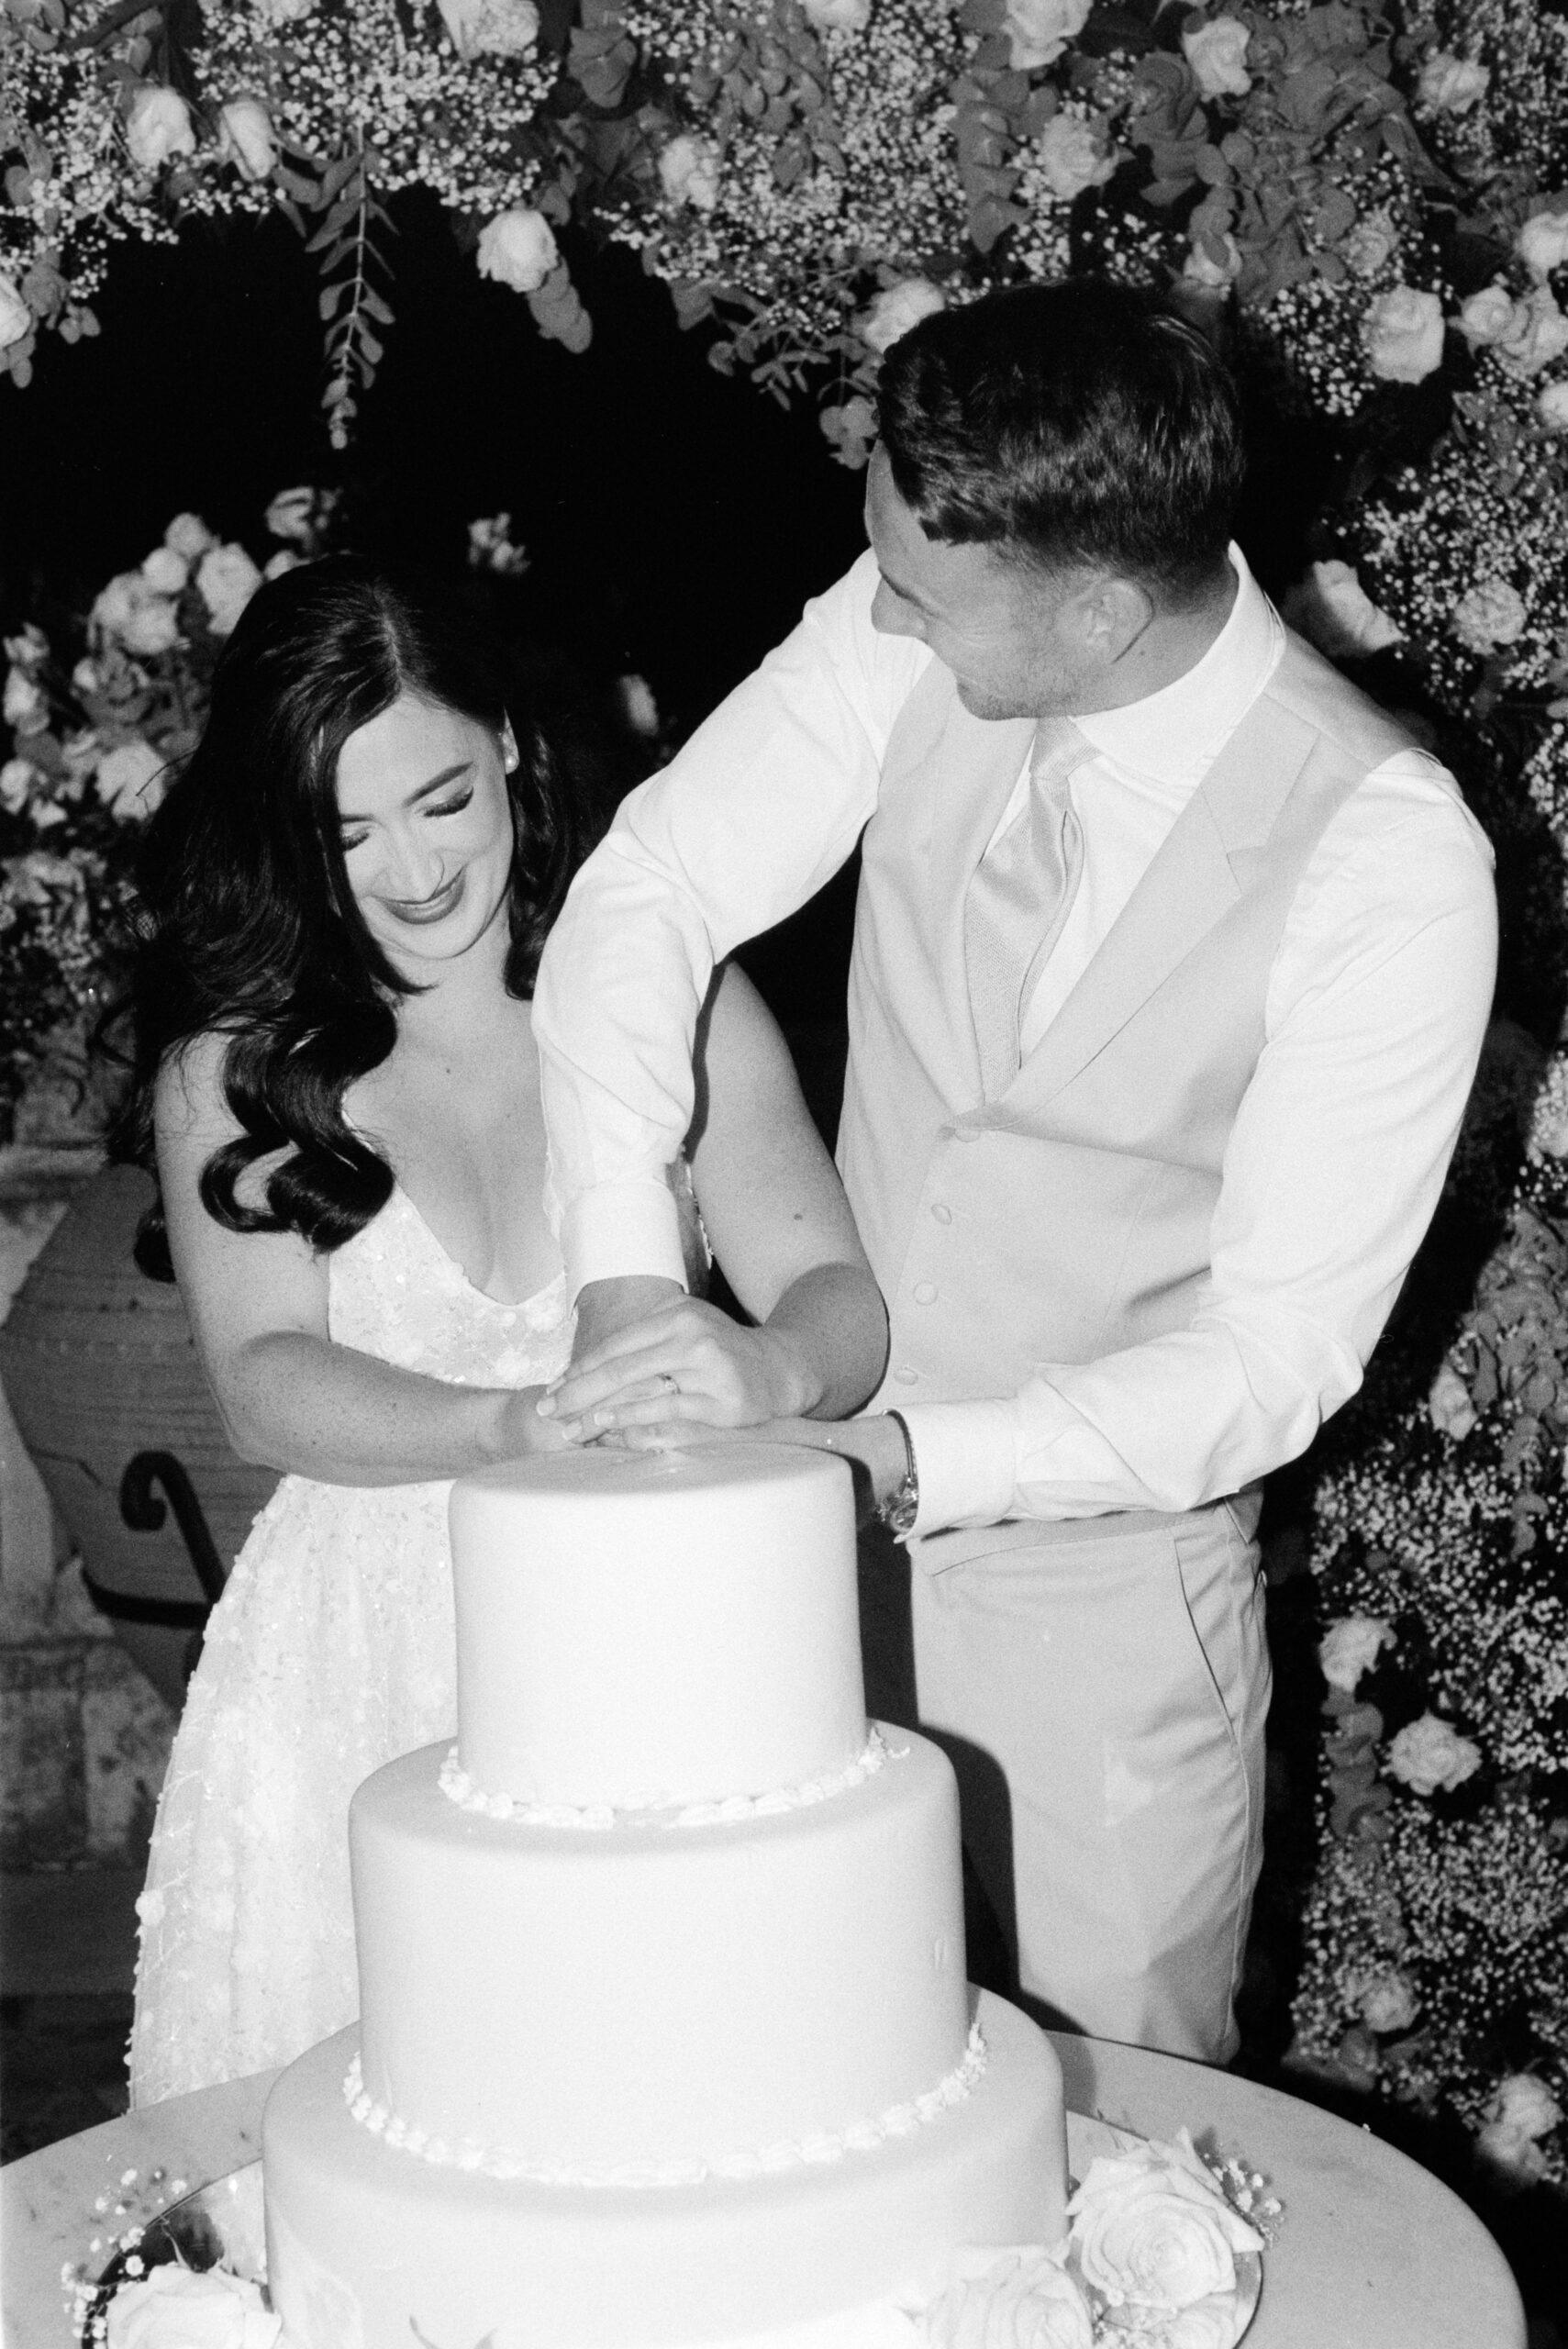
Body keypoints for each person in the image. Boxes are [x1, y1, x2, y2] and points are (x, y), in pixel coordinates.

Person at [530, 280, 1497, 2064]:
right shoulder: (929, 588)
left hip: (1104, 1630)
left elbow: (1276, 1356)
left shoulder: (1385, 856)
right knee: (787, 2090)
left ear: (1105, 610)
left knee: (1100, 2155)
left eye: (920, 594)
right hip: (795, 1597)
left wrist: (911, 1461)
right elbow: (650, 888)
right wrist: (623, 1274)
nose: (879, 610)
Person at [121, 557, 887, 2103]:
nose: (410, 870)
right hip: (350, 1659)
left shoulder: (673, 995)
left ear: (515, 751)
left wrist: (773, 1363)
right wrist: (511, 1428)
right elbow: (262, 1386)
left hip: (646, 1625)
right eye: (346, 831)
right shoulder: (236, 1061)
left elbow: (841, 1301)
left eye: (442, 800)